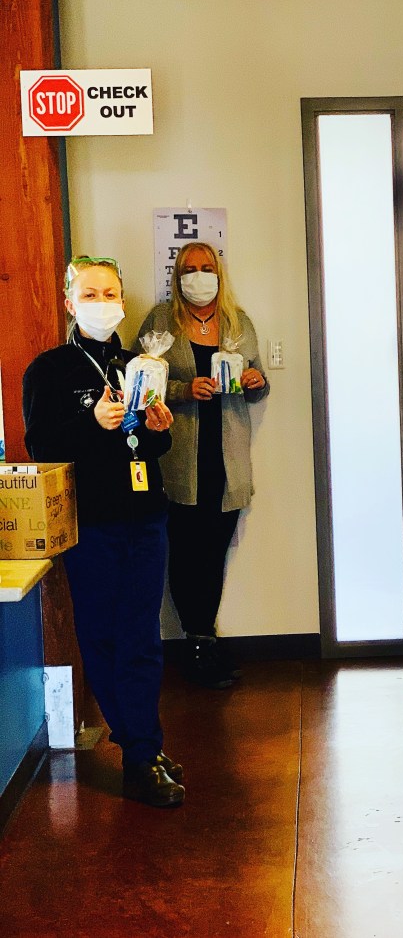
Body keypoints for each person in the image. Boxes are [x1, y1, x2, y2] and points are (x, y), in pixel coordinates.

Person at [23, 256, 185, 808]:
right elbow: (42, 446)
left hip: (146, 516)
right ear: (70, 303)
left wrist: (160, 428)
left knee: (142, 636)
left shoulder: (138, 363)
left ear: (122, 299)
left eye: (110, 293)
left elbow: (151, 446)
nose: (102, 303)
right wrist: (91, 423)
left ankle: (143, 747)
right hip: (91, 524)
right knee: (103, 636)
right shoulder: (49, 370)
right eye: (89, 294)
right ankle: (141, 748)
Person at [136, 242, 269, 689]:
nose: (198, 276)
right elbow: (139, 384)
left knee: (213, 555)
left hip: (227, 462)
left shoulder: (238, 322)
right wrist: (182, 389)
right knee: (185, 554)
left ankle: (203, 640)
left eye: (206, 267)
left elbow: (260, 384)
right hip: (180, 463)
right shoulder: (161, 321)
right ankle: (196, 645)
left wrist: (255, 380)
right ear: (177, 277)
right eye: (189, 269)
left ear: (219, 273)